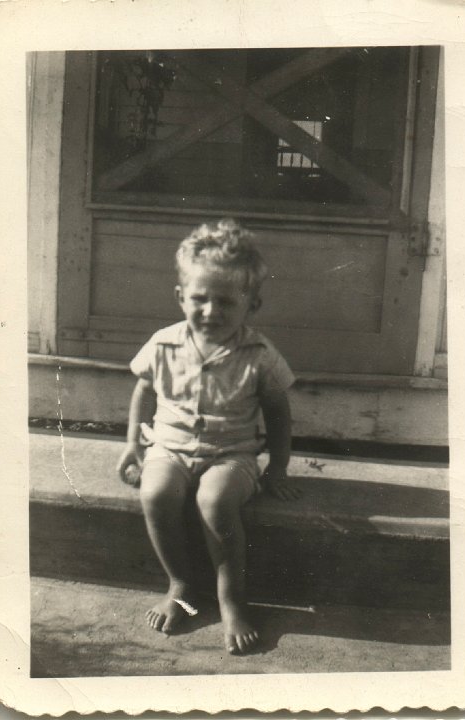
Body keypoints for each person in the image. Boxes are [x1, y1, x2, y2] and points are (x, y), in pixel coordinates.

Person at [117, 218, 299, 655]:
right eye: (200, 299)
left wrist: (278, 465)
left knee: (214, 501)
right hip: (170, 448)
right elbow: (144, 390)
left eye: (226, 302)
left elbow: (278, 411)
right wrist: (132, 445)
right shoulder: (163, 344)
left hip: (231, 454)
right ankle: (181, 585)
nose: (211, 312)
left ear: (251, 305)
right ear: (181, 297)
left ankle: (231, 599)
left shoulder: (259, 355)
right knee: (156, 494)